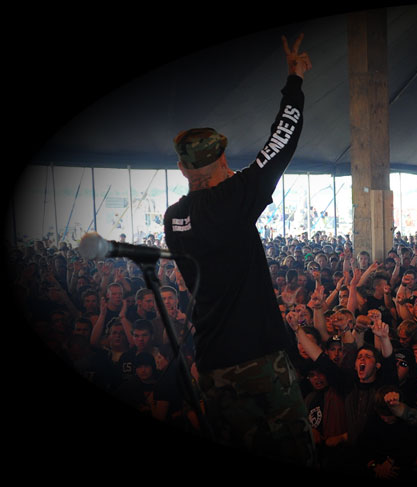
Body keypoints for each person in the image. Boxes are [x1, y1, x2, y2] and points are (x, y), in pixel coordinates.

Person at [161, 34, 314, 466]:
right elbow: (283, 138)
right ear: (224, 158)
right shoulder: (238, 198)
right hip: (259, 358)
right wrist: (295, 77)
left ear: (181, 167)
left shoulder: (173, 218)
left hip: (211, 363)